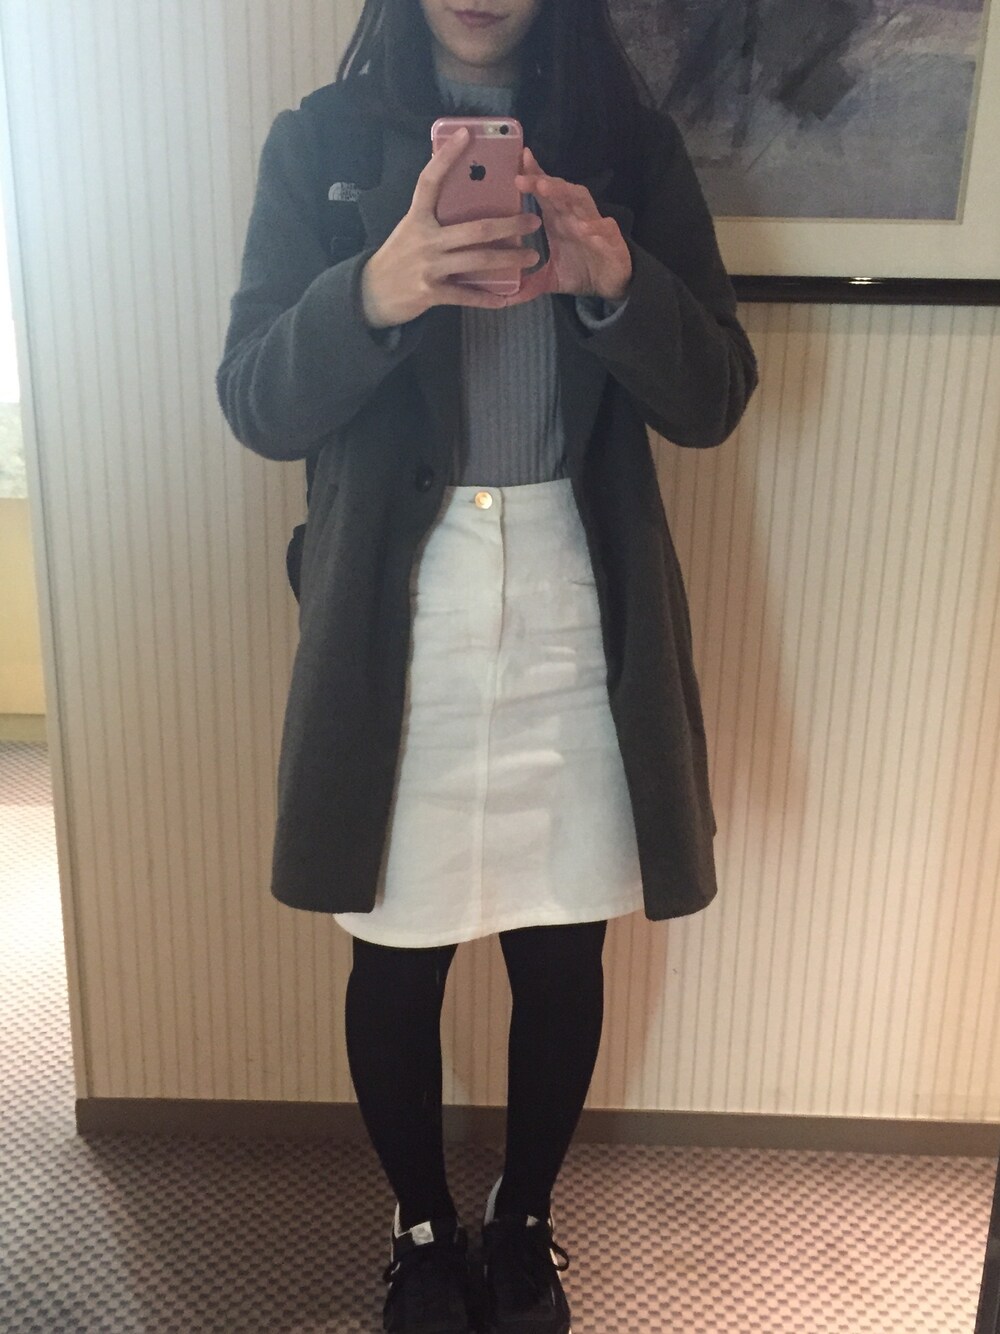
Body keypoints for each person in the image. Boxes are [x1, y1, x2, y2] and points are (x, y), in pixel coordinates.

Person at [215, 0, 758, 1330]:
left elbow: (714, 397)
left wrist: (618, 285)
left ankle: (524, 1220)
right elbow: (257, 399)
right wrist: (374, 292)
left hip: (579, 596)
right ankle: (419, 1231)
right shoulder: (319, 143)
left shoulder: (629, 148)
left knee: (562, 941)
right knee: (396, 949)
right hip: (401, 610)